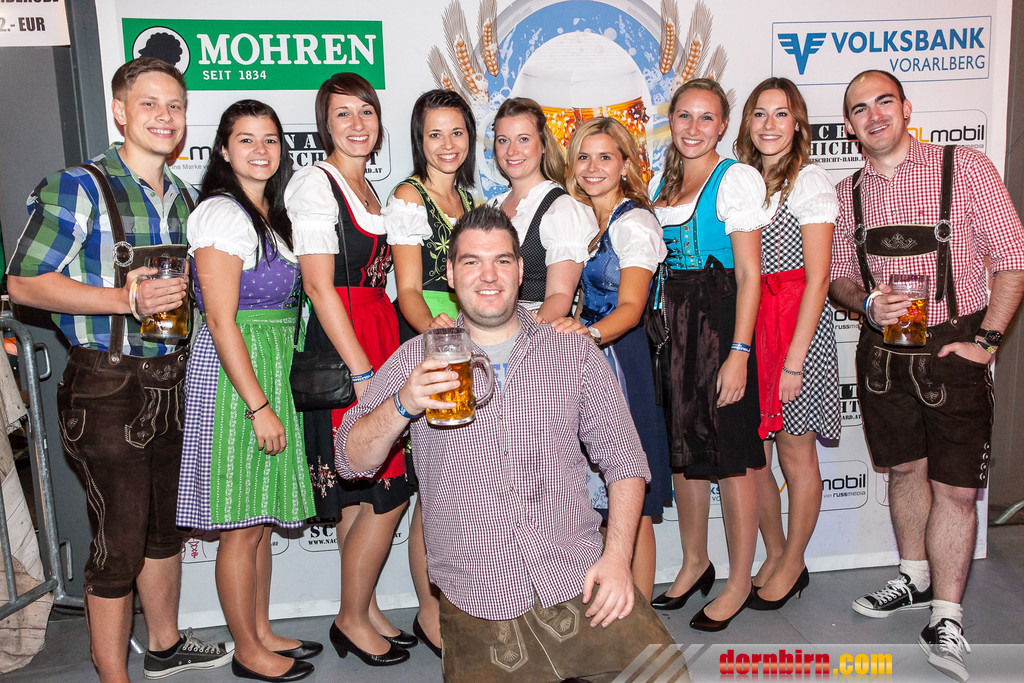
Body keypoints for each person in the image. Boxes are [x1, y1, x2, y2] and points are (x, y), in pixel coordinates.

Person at [335, 205, 681, 682]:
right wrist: (403, 404)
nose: (488, 275)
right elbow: (350, 461)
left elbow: (625, 460)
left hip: (578, 576)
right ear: (451, 274)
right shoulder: (417, 359)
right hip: (478, 597)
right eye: (471, 262)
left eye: (501, 260)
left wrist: (618, 560)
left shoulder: (570, 349)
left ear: (520, 270)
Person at [6, 57, 231, 681]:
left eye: (175, 105)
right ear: (120, 111)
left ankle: (164, 645)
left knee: (164, 531)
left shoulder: (185, 196)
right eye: (150, 104)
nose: (165, 116)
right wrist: (123, 299)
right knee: (120, 542)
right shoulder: (78, 187)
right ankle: (114, 677)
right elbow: (23, 282)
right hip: (106, 386)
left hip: (172, 381)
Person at [830, 69, 1024, 682]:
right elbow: (838, 276)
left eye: (884, 102)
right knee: (906, 471)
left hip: (952, 348)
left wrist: (986, 342)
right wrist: (866, 302)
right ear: (850, 126)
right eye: (860, 109)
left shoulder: (964, 168)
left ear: (907, 107)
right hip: (884, 356)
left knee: (957, 490)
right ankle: (914, 578)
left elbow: (1013, 260)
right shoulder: (846, 193)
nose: (874, 116)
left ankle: (946, 614)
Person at [176, 100, 320, 681]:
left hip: (270, 366)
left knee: (258, 521)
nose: (261, 150)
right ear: (223, 149)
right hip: (237, 378)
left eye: (270, 139)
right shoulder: (220, 212)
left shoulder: (270, 215)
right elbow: (219, 320)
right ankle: (246, 649)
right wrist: (258, 405)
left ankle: (259, 631)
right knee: (239, 524)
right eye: (246, 139)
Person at [284, 72, 412, 667]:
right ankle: (350, 618)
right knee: (385, 486)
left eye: (366, 112)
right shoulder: (316, 183)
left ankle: (362, 607)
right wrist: (363, 371)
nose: (357, 124)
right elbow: (318, 284)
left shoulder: (370, 189)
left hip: (378, 330)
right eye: (343, 114)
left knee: (361, 494)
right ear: (324, 125)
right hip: (348, 343)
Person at [649, 78, 770, 632]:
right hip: (675, 326)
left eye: (706, 118)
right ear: (671, 121)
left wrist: (739, 352)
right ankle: (695, 561)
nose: (693, 128)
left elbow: (749, 274)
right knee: (686, 453)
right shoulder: (665, 181)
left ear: (723, 125)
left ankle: (740, 580)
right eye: (684, 116)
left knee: (732, 459)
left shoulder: (734, 178)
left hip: (720, 322)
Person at [734, 78, 841, 611]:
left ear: (798, 123)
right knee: (755, 458)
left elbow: (819, 280)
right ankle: (774, 551)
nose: (770, 124)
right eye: (760, 113)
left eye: (781, 114)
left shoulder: (810, 180)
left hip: (798, 328)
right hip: (756, 328)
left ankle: (794, 561)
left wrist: (794, 361)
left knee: (796, 455)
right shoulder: (744, 180)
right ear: (748, 123)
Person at [382, 89, 476, 656]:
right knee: (433, 489)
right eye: (435, 133)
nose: (447, 144)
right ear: (419, 139)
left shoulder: (471, 198)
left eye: (457, 132)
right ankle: (429, 611)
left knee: (463, 483)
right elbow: (410, 291)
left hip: (474, 345)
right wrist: (439, 341)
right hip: (434, 346)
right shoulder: (408, 197)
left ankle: (467, 602)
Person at [564, 117, 671, 601]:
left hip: (622, 360)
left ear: (626, 165)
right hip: (591, 358)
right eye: (583, 157)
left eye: (605, 157)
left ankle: (641, 618)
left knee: (633, 500)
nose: (593, 167)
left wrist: (585, 335)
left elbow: (630, 308)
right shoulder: (587, 221)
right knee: (599, 498)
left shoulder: (636, 223)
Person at [488, 97, 598, 319]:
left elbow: (559, 297)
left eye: (523, 139)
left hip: (538, 329)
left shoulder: (562, 208)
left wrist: (527, 337)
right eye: (503, 140)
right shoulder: (492, 206)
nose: (511, 151)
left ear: (544, 145)